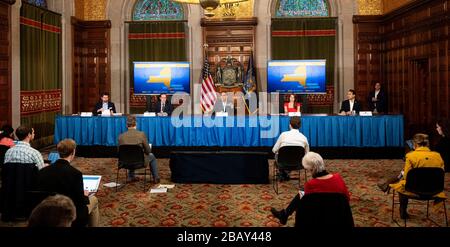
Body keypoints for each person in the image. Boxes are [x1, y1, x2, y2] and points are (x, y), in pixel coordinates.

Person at [270, 152, 350, 225]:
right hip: (340, 217)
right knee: (302, 191)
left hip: (319, 216)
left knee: (302, 192)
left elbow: (304, 207)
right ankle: (285, 214)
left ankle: (285, 214)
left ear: (311, 169)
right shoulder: (338, 178)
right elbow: (347, 199)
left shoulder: (310, 185)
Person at [36, 139, 99, 227]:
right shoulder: (75, 173)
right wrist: (84, 194)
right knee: (94, 200)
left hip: (47, 212)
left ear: (58, 152)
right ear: (73, 152)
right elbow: (80, 201)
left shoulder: (43, 171)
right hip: (70, 212)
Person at [387, 134, 445, 219]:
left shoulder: (410, 156)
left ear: (415, 144)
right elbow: (441, 174)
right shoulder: (438, 156)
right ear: (427, 144)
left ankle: (403, 211)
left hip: (414, 189)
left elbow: (406, 176)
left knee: (401, 184)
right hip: (435, 189)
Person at [118, 116, 160, 184]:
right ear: (136, 124)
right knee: (152, 156)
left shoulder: (121, 136)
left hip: (124, 163)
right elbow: (148, 151)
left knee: (130, 155)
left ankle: (130, 176)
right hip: (139, 163)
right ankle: (156, 178)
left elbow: (119, 152)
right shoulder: (141, 134)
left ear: (126, 125)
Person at [272, 117, 310, 181]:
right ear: (300, 126)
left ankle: (283, 173)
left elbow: (274, 150)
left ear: (290, 125)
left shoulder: (283, 135)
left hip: (282, 163)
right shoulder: (304, 138)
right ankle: (285, 173)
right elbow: (307, 154)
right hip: (299, 164)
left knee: (277, 155)